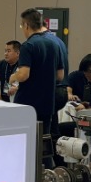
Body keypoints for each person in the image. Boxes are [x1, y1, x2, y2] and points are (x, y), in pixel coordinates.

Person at [8, 9, 64, 156]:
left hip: (28, 103)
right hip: (47, 103)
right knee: (43, 144)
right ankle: (46, 168)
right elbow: (60, 75)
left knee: (24, 145)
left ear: (26, 25)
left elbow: (24, 74)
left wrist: (13, 77)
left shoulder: (28, 46)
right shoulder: (54, 44)